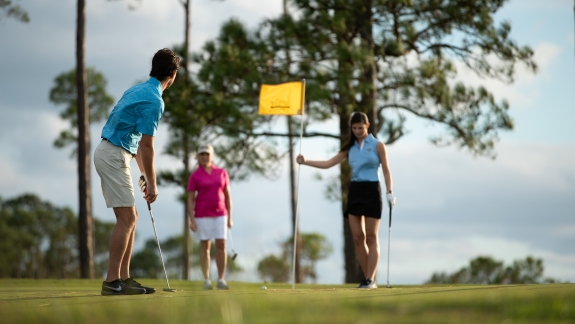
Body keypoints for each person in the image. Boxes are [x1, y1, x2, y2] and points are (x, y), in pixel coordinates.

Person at [94, 48, 180, 296]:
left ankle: (124, 278)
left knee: (132, 217)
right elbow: (147, 145)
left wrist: (143, 174)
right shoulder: (155, 100)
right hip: (113, 154)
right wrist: (152, 183)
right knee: (128, 218)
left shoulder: (137, 90)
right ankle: (112, 282)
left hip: (115, 152)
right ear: (172, 74)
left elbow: (137, 144)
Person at [296, 112, 396, 289]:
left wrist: (389, 191)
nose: (357, 131)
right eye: (354, 128)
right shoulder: (349, 148)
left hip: (372, 190)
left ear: (367, 126)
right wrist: (305, 161)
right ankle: (367, 278)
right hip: (355, 191)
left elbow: (387, 170)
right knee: (358, 237)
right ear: (351, 128)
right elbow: (328, 163)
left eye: (360, 128)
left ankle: (370, 279)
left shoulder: (378, 145)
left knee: (372, 237)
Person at [187, 144, 233, 290]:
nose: (205, 157)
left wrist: (230, 216)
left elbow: (227, 196)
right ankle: (207, 279)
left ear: (212, 156)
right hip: (201, 214)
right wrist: (191, 219)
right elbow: (190, 199)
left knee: (221, 245)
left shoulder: (221, 172)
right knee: (205, 246)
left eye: (207, 154)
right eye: (202, 154)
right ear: (198, 157)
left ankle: (221, 279)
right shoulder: (195, 175)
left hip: (220, 214)